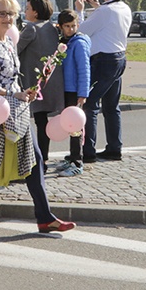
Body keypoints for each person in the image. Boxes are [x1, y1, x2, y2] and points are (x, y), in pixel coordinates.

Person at [0, 0, 76, 235]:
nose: (7, 18)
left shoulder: (8, 42)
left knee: (33, 162)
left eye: (11, 13)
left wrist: (24, 91)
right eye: (2, 13)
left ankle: (45, 217)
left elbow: (13, 76)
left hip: (17, 110)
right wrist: (11, 94)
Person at [75, 0, 133, 163]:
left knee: (90, 103)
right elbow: (109, 20)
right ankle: (114, 147)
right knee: (111, 106)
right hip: (119, 58)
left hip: (103, 61)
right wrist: (97, 6)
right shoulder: (124, 8)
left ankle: (88, 150)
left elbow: (82, 30)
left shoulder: (105, 11)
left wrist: (80, 11)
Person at [17, 0, 63, 163]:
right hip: (48, 81)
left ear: (35, 12)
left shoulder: (31, 29)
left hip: (31, 81)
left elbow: (16, 50)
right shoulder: (52, 28)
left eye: (28, 8)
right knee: (42, 122)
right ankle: (43, 157)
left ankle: (32, 159)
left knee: (30, 122)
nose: (25, 11)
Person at [54, 10, 91, 177]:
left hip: (76, 90)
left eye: (73, 26)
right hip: (67, 89)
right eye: (67, 26)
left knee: (76, 127)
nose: (70, 29)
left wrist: (82, 94)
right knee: (70, 125)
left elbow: (84, 70)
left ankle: (77, 161)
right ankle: (71, 157)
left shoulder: (79, 43)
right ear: (61, 27)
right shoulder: (64, 41)